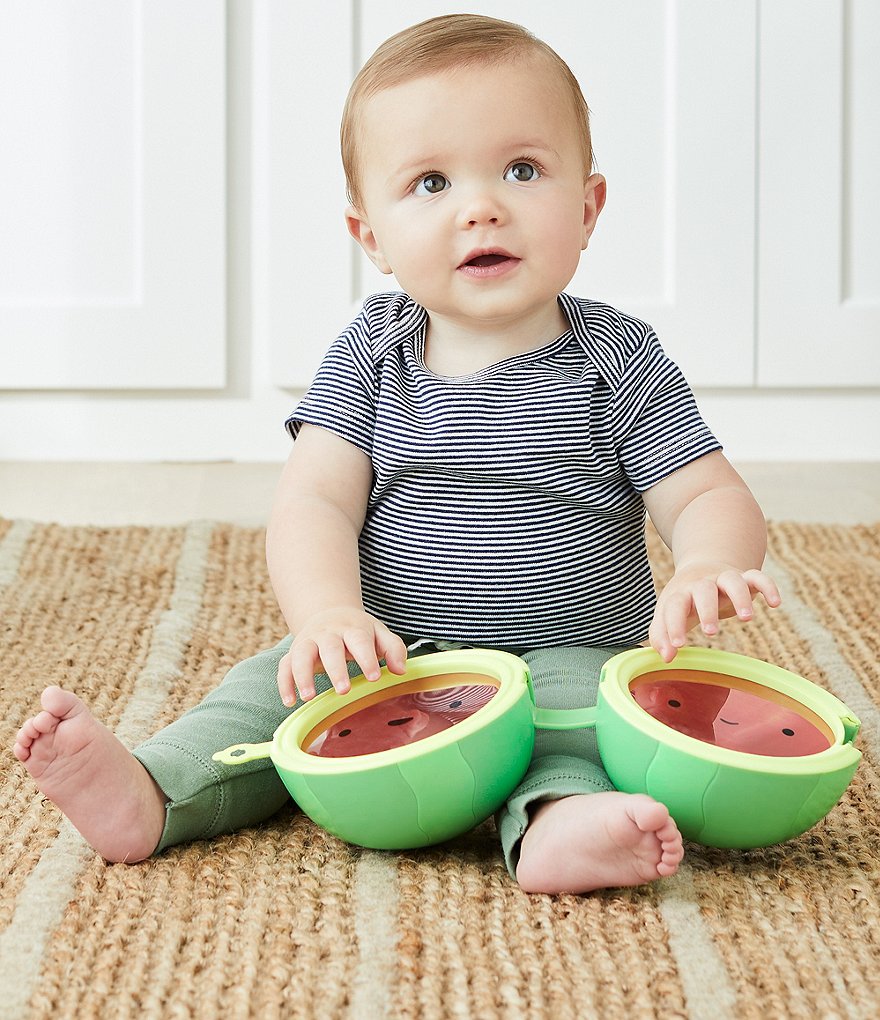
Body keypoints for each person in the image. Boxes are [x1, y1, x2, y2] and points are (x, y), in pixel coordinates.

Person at [14, 14, 781, 894]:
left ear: (588, 207)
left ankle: (559, 826)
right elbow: (315, 504)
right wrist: (328, 617)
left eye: (521, 170)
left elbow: (705, 492)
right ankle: (156, 790)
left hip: (567, 656)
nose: (480, 205)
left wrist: (709, 565)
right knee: (266, 691)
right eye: (429, 182)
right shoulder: (373, 354)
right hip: (391, 656)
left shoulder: (617, 358)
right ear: (370, 234)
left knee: (588, 725)